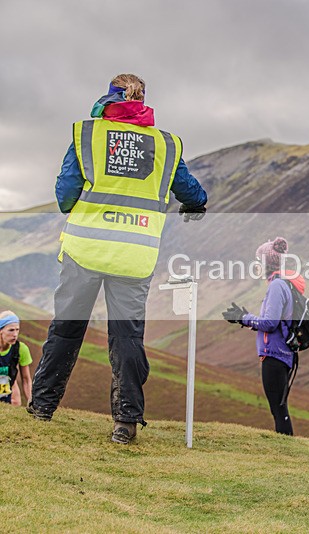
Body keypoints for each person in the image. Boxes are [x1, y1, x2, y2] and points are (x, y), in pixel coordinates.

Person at [27, 74, 208, 444]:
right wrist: (193, 206)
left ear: (107, 98)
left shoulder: (88, 134)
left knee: (66, 329)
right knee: (126, 336)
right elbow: (192, 192)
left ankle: (42, 407)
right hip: (134, 254)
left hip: (85, 250)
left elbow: (64, 196)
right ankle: (126, 423)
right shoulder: (166, 145)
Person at [223, 238, 303, 436]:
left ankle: (286, 452)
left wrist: (244, 318)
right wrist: (245, 320)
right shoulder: (284, 285)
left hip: (275, 354)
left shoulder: (277, 286)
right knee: (279, 407)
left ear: (268, 263)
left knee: (278, 409)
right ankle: (287, 450)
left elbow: (270, 323)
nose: (256, 264)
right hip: (282, 353)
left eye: (258, 260)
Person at [0, 312, 33, 406]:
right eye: (11, 330)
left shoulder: (21, 349)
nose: (15, 334)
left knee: (14, 405)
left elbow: (26, 380)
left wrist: (32, 404)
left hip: (7, 386)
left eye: (17, 330)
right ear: (1, 330)